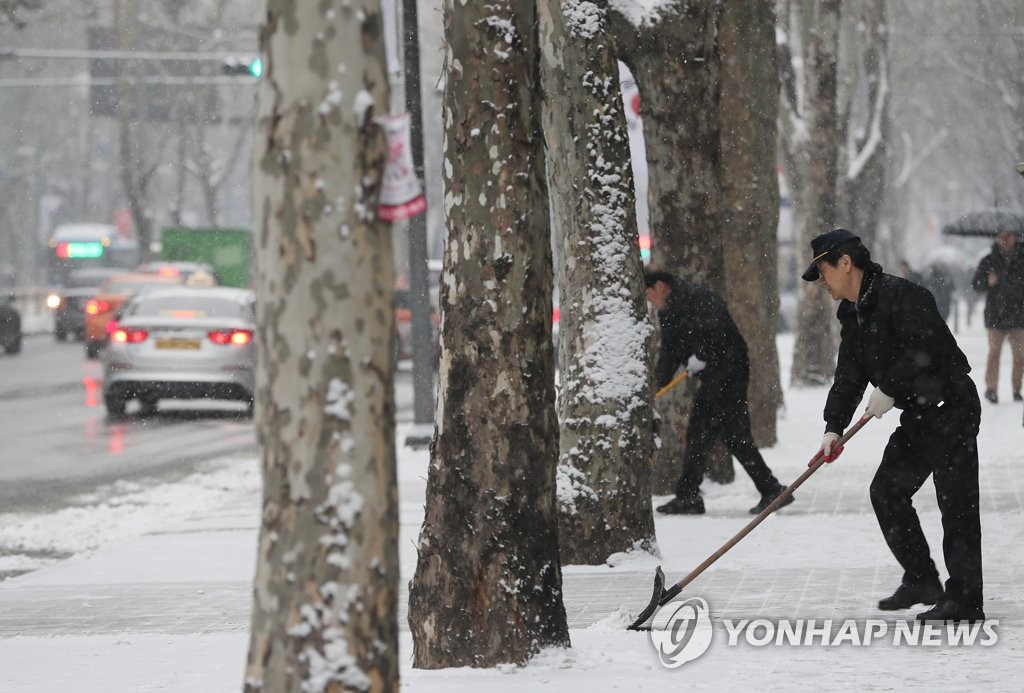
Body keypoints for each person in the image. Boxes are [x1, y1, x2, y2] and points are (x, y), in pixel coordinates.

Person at [802, 228, 984, 623]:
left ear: (845, 263)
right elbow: (849, 374)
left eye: (823, 272)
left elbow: (925, 347)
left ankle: (966, 600)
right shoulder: (852, 312)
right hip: (919, 413)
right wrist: (833, 426)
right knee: (886, 491)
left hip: (951, 406)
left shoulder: (904, 296)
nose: (822, 283)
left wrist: (889, 387)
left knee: (956, 503)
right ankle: (922, 579)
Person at [644, 269, 794, 516]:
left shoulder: (697, 297)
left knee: (711, 434)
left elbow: (719, 331)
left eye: (649, 295)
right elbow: (670, 350)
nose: (650, 301)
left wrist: (701, 356)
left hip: (729, 372)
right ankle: (769, 489)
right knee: (722, 435)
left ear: (660, 286)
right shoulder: (668, 311)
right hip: (713, 377)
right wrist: (657, 385)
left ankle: (692, 495)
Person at [971, 228, 1024, 404]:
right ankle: (991, 389)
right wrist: (986, 281)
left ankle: (1017, 388)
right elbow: (976, 284)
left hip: (1019, 316)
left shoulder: (1022, 259)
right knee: (994, 353)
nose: (1005, 239)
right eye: (1002, 235)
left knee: (1020, 356)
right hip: (995, 316)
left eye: (1009, 235)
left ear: (1016, 237)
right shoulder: (989, 260)